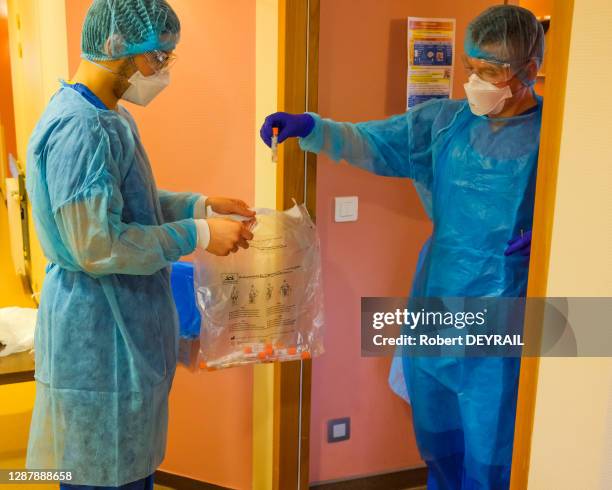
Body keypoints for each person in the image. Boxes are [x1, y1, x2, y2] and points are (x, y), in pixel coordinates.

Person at [260, 5, 543, 489]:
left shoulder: (557, 138)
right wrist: (312, 127)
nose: (475, 82)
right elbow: (374, 141)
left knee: (493, 446)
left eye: (491, 72)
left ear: (530, 70)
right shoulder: (444, 123)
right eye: (470, 69)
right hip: (438, 294)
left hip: (507, 312)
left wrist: (555, 240)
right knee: (438, 438)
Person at [25, 1, 255, 488]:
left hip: (120, 332)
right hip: (97, 337)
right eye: (159, 57)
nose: (163, 70)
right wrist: (199, 235)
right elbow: (97, 244)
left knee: (128, 473)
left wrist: (197, 205)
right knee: (99, 474)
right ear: (115, 46)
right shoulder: (80, 127)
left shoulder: (108, 117)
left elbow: (127, 202)